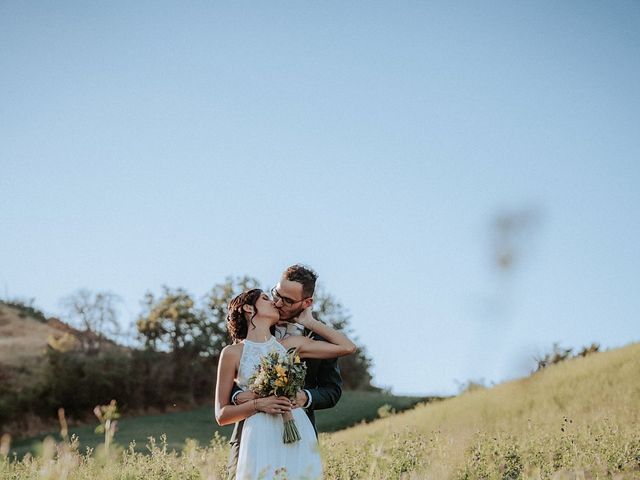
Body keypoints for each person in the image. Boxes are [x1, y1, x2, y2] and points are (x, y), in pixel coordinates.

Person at [215, 288, 356, 480]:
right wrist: (257, 405)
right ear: (248, 308)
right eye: (265, 298)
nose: (273, 302)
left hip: (297, 427)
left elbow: (347, 347)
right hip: (258, 434)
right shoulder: (232, 353)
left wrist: (310, 322)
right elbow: (222, 415)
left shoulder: (291, 344)